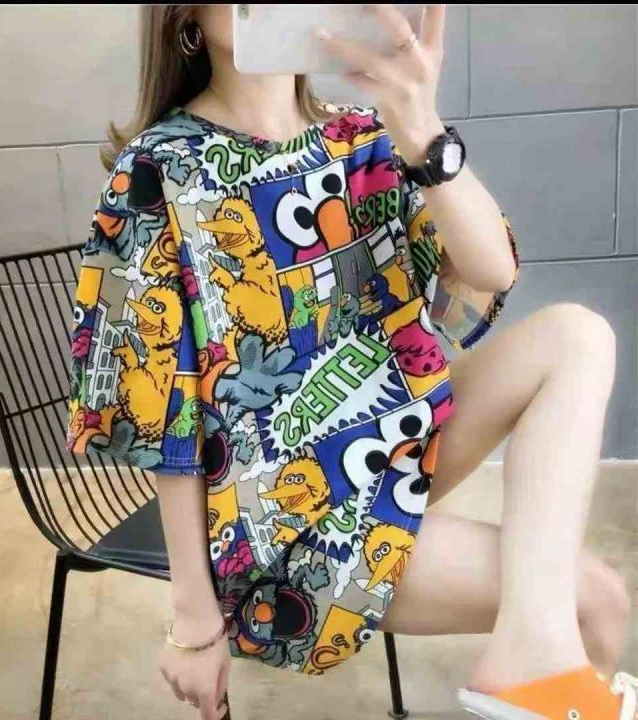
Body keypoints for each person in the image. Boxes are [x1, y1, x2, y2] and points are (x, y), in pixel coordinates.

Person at [64, 5, 635, 719]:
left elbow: (488, 272)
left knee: (577, 335)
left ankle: (533, 662)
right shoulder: (158, 172)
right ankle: (538, 666)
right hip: (284, 527)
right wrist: (193, 617)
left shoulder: (361, 133)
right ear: (184, 18)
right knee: (598, 601)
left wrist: (421, 126)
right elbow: (161, 413)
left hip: (399, 442)